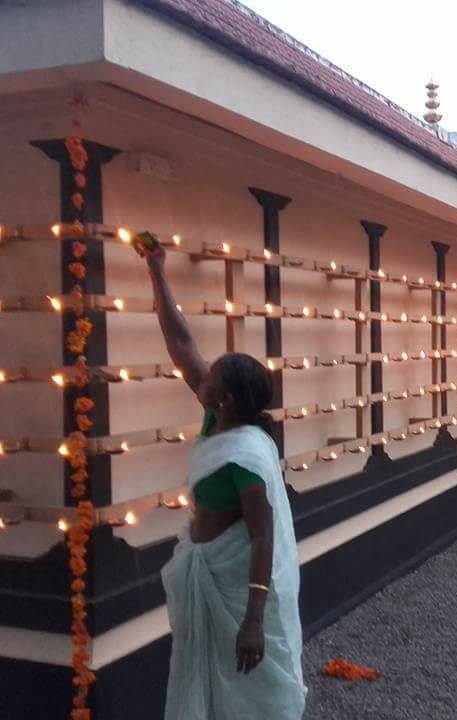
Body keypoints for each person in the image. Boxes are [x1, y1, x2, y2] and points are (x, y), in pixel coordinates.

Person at [138, 243, 306, 719]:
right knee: (206, 678)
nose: (201, 375)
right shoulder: (217, 420)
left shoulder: (246, 454)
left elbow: (263, 537)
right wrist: (156, 271)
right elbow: (181, 341)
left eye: (211, 375)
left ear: (226, 398)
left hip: (239, 589)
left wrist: (253, 619)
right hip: (203, 574)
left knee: (251, 692)